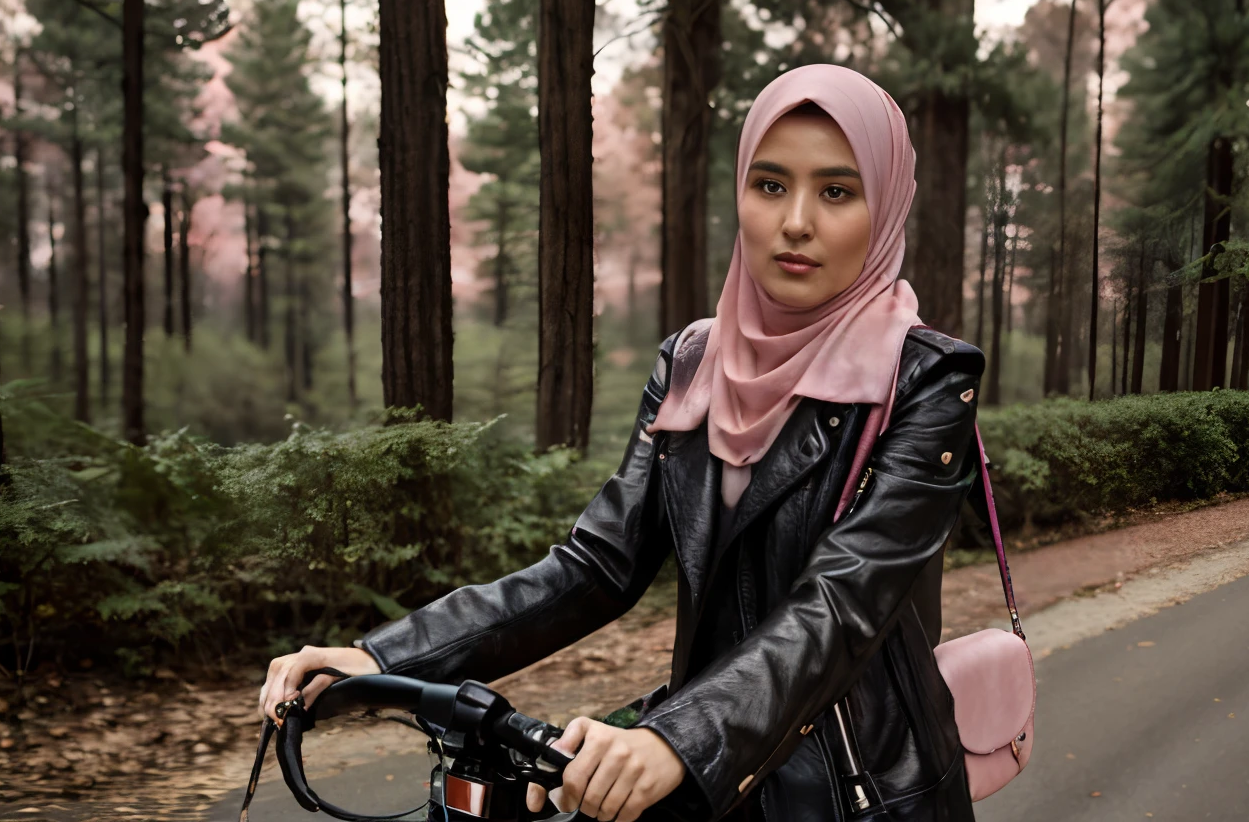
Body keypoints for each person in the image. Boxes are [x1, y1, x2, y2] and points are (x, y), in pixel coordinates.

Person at [258, 63, 985, 822]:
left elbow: (839, 604)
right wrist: (381, 659)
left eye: (836, 191)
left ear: (887, 203)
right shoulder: (694, 364)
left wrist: (674, 737)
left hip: (860, 790)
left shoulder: (927, 381)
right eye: (769, 185)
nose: (795, 221)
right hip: (706, 774)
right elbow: (597, 564)